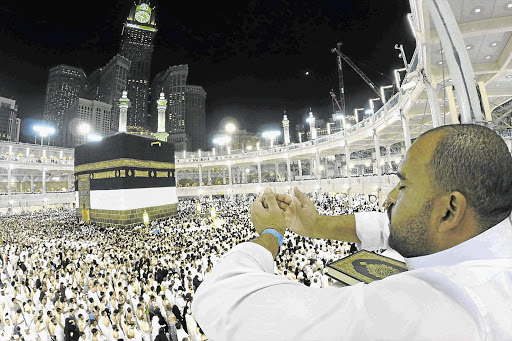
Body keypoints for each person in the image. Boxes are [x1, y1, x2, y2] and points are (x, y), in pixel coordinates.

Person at [191, 124, 512, 340]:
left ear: (450, 209)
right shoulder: (487, 239)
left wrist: (270, 234)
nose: (387, 198)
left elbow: (225, 300)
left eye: (403, 186)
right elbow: (399, 227)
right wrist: (317, 225)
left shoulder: (438, 308)